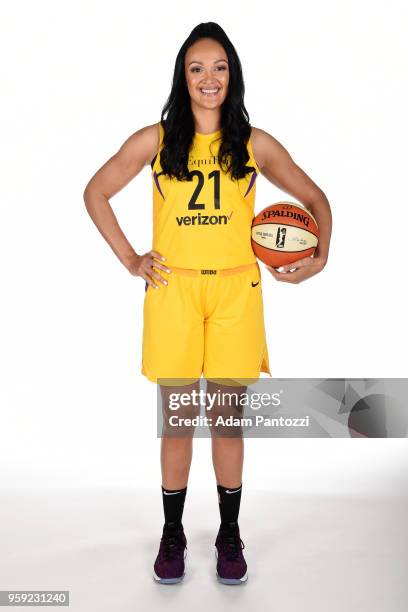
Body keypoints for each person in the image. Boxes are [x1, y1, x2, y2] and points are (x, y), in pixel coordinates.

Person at [83, 22, 332, 586]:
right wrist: (131, 260)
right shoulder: (156, 138)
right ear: (182, 77)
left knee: (225, 421)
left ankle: (228, 532)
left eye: (219, 67)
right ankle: (173, 532)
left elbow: (314, 198)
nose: (209, 78)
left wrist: (320, 256)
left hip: (235, 291)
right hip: (173, 288)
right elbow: (95, 191)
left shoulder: (254, 143)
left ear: (233, 74)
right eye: (197, 68)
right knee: (177, 421)